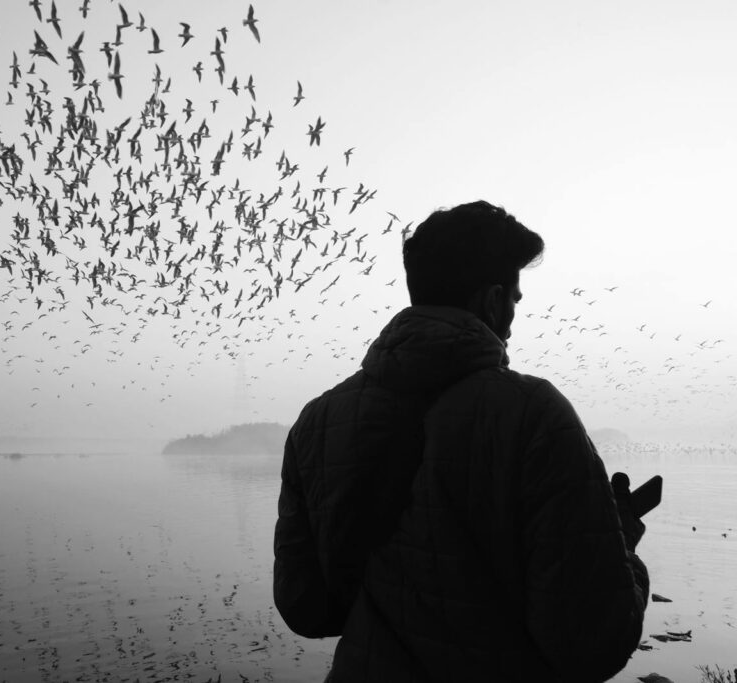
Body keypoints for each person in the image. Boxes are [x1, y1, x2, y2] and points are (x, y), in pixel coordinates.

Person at [273, 200, 649, 682]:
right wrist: (624, 546)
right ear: (491, 301)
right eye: (513, 299)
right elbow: (591, 641)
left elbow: (307, 609)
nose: (513, 316)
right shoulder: (533, 414)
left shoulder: (317, 422)